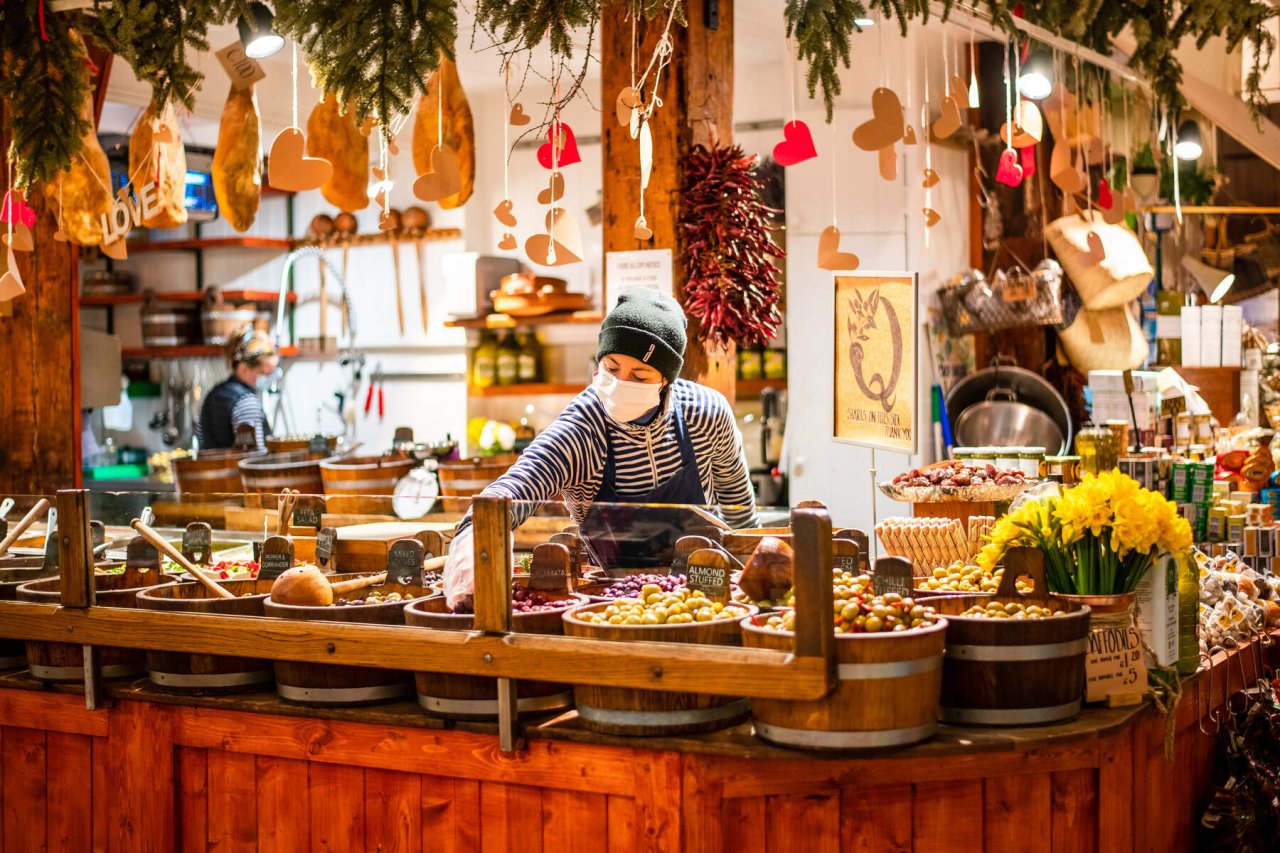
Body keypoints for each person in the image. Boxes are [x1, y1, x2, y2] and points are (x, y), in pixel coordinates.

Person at [444, 289, 759, 605]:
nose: (622, 382)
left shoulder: (705, 414)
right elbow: (519, 485)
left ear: (666, 380)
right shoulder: (583, 428)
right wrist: (473, 537)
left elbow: (740, 513)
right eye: (611, 367)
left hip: (706, 596)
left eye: (639, 375)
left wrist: (757, 584)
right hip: (612, 599)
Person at [195, 325, 278, 452]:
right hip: (236, 471)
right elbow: (254, 456)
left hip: (210, 470)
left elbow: (201, 440)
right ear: (244, 368)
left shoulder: (213, 394)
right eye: (263, 373)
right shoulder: (246, 402)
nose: (266, 379)